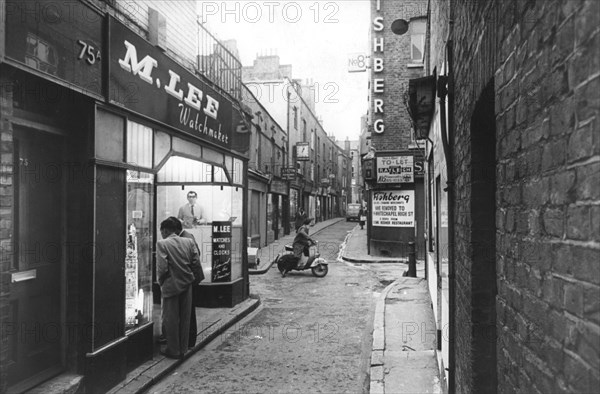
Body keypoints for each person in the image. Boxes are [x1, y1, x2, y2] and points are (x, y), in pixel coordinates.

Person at [156, 218, 201, 359]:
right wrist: (194, 280)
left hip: (171, 286)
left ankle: (173, 349)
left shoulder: (162, 244)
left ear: (166, 230)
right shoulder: (188, 242)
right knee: (185, 317)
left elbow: (162, 268)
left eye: (161, 231)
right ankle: (183, 348)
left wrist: (161, 281)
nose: (161, 234)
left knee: (170, 319)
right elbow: (196, 263)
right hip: (187, 284)